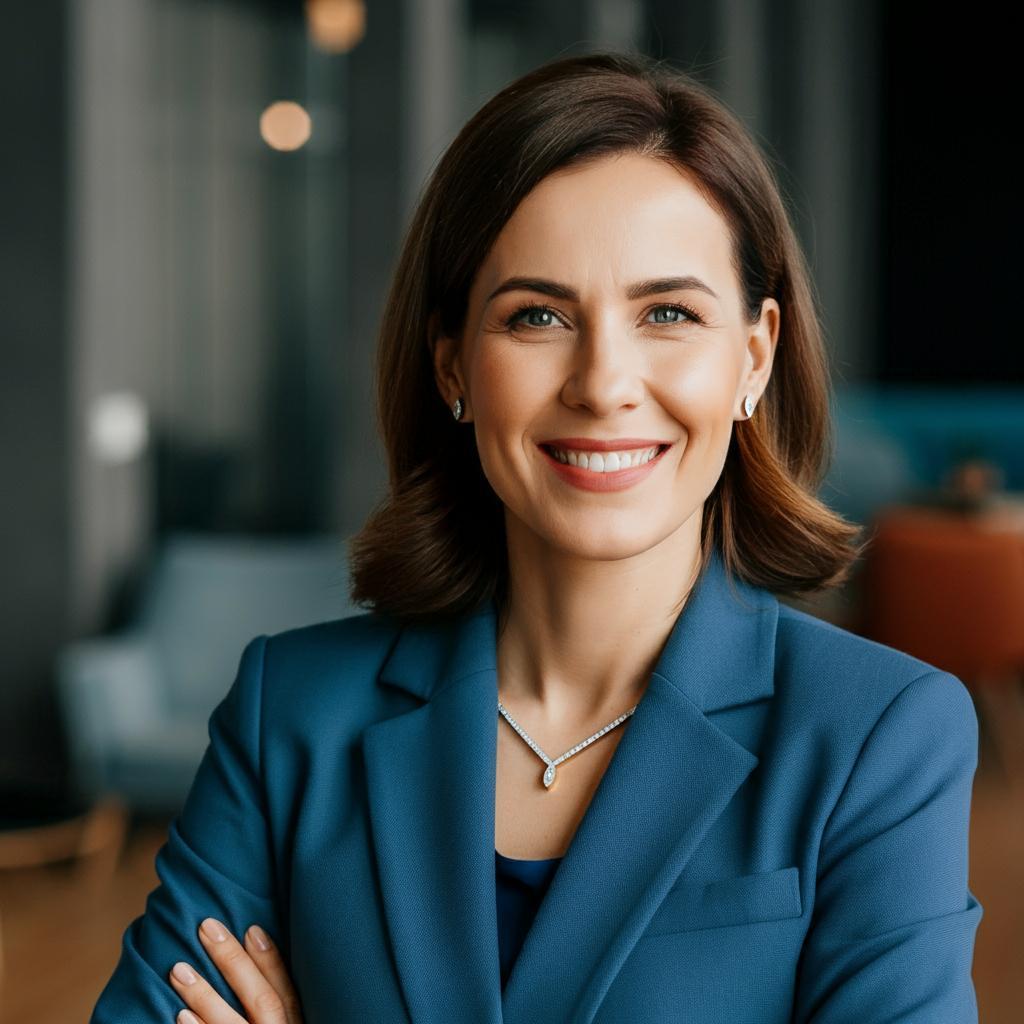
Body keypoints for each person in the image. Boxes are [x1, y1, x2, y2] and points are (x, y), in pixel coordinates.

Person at [90, 51, 983, 1024]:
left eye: (669, 313)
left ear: (753, 359)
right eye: (539, 315)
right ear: (452, 366)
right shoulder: (292, 714)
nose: (602, 383)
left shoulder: (877, 734)